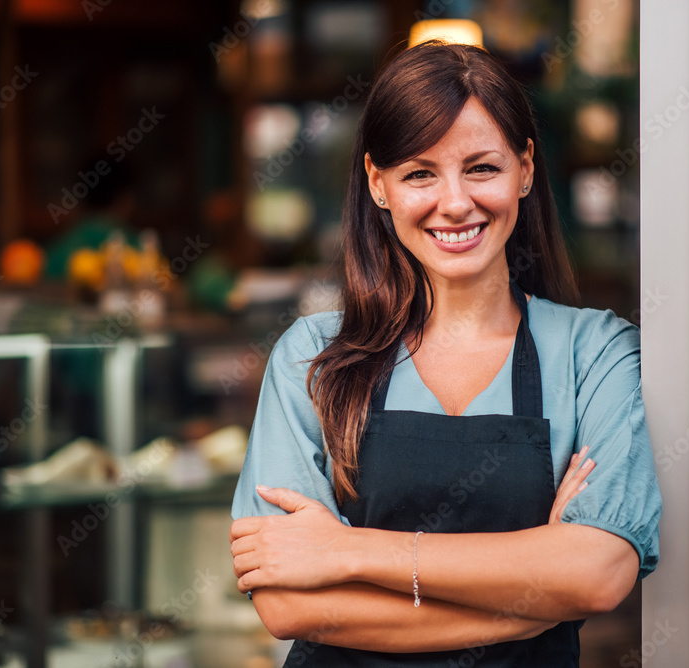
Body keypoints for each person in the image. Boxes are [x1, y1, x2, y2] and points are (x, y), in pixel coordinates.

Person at [229, 41, 661, 666]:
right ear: (379, 185)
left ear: (526, 169)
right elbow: (290, 607)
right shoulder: (312, 357)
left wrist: (348, 552)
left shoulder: (595, 352)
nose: (455, 202)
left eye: (482, 168)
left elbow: (597, 574)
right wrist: (534, 598)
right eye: (419, 174)